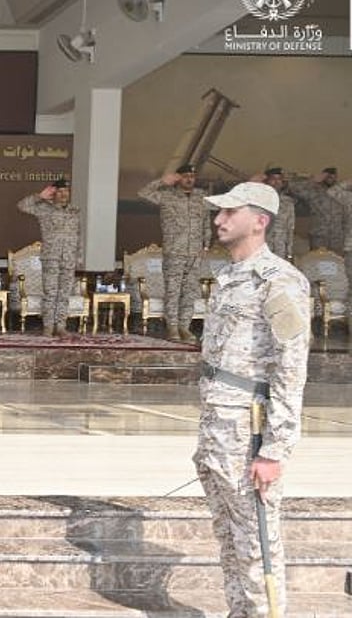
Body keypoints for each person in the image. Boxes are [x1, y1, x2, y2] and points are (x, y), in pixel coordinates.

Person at [196, 181, 310, 617]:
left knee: (257, 541)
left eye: (230, 212)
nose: (219, 219)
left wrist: (274, 450)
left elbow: (291, 368)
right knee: (230, 537)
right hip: (218, 427)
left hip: (250, 431)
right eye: (219, 212)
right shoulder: (229, 276)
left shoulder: (279, 281)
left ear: (259, 221)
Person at [137, 164, 211, 342]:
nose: (189, 179)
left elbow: (206, 223)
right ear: (178, 178)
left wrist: (206, 246)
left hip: (195, 252)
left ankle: (184, 327)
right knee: (173, 291)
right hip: (174, 251)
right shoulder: (166, 195)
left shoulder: (201, 197)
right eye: (185, 176)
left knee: (190, 292)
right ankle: (172, 328)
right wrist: (162, 181)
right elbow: (143, 193)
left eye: (192, 176)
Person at [17, 179, 80, 337]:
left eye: (66, 191)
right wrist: (39, 196)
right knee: (50, 293)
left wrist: (78, 258)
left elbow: (78, 236)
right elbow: (22, 206)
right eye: (60, 191)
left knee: (64, 293)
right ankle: (48, 326)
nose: (64, 194)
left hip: (69, 258)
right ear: (53, 193)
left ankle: (61, 326)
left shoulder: (74, 211)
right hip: (51, 257)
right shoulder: (44, 208)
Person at [285, 166, 343, 254]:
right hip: (319, 235)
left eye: (333, 176)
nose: (331, 179)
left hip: (337, 237)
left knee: (337, 260)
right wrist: (312, 180)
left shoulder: (340, 192)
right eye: (328, 176)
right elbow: (293, 188)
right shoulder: (313, 190)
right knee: (317, 259)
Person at [256, 168, 296, 260]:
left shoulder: (288, 202)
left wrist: (289, 253)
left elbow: (290, 228)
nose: (276, 182)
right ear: (266, 181)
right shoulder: (257, 199)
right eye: (273, 179)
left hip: (280, 248)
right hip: (262, 247)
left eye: (279, 179)